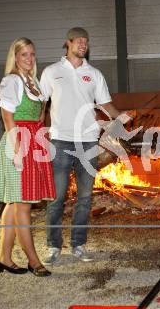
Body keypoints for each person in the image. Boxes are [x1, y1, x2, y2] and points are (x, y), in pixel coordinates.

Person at [41, 27, 129, 265]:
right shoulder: (51, 72)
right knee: (57, 197)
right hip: (60, 140)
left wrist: (121, 117)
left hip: (88, 141)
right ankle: (53, 245)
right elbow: (41, 104)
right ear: (67, 43)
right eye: (79, 40)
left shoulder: (94, 74)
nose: (83, 44)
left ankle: (78, 244)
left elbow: (105, 104)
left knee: (85, 196)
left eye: (86, 41)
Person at [0, 37, 55, 277]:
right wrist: (18, 150)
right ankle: (33, 261)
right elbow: (8, 118)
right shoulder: (12, 81)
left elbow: (38, 114)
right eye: (23, 55)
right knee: (23, 206)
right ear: (15, 58)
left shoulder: (33, 81)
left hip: (32, 141)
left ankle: (4, 257)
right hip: (17, 142)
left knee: (15, 203)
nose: (29, 59)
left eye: (32, 54)